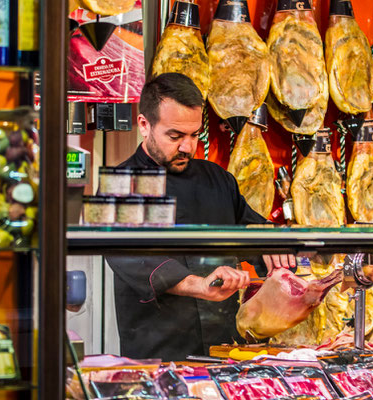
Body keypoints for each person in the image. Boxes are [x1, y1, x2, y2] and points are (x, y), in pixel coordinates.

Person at [107, 73, 295, 361]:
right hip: (158, 354)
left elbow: (251, 230)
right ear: (144, 125)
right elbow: (130, 255)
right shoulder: (120, 182)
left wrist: (274, 245)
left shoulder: (217, 179)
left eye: (195, 135)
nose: (187, 147)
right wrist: (200, 284)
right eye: (175, 136)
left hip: (225, 351)